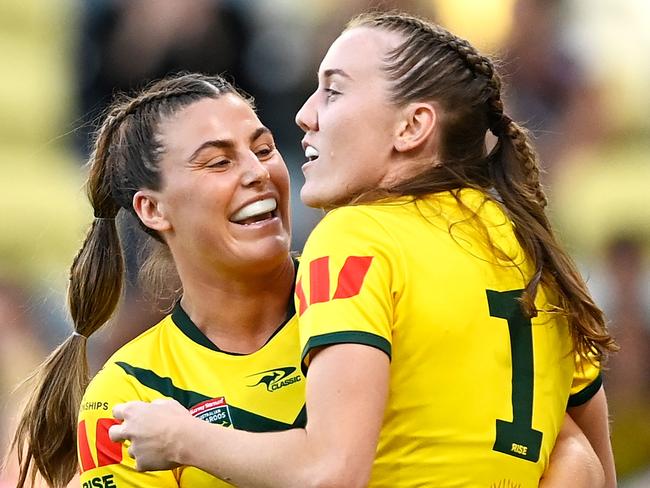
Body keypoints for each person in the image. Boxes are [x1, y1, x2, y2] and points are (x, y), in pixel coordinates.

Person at [110, 11, 617, 488]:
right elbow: (591, 467)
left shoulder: (356, 235)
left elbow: (332, 471)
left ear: (411, 127)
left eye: (333, 91)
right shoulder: (528, 242)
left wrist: (182, 437)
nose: (306, 115)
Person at [7, 73, 305, 487]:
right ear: (152, 210)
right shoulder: (130, 394)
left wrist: (191, 441)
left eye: (264, 149)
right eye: (219, 161)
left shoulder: (358, 288)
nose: (258, 172)